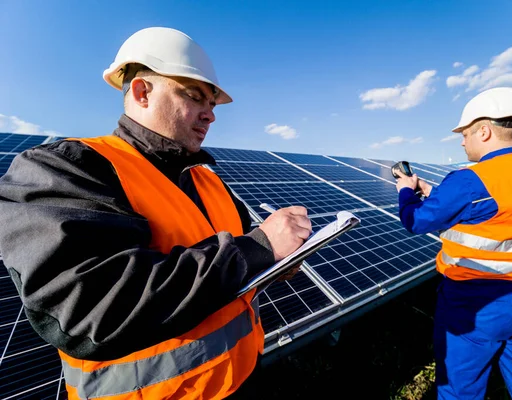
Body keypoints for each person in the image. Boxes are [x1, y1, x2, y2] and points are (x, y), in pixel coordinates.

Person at [0, 27, 312, 400]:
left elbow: (242, 258)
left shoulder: (208, 180)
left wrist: (275, 263)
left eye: (213, 104)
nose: (210, 115)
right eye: (195, 96)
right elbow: (93, 308)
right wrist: (259, 250)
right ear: (141, 92)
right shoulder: (66, 169)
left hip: (242, 380)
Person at [394, 87, 512, 399]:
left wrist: (406, 189)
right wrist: (438, 195)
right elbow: (499, 213)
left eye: (465, 134)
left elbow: (415, 220)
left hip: (474, 304)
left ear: (484, 131)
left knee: (460, 390)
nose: (462, 141)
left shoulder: (471, 179)